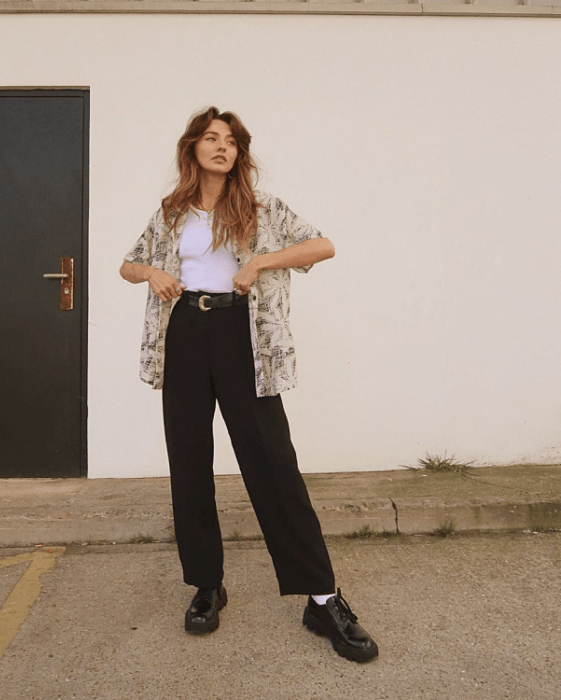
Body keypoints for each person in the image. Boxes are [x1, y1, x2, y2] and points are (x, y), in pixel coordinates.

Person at [119, 106, 378, 663]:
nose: (221, 147)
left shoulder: (262, 209)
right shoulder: (172, 211)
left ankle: (322, 597)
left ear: (240, 154)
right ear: (193, 149)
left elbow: (322, 245)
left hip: (243, 335)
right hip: (185, 331)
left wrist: (261, 261)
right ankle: (207, 586)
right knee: (188, 462)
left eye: (231, 142)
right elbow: (128, 264)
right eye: (211, 139)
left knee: (272, 462)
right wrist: (153, 272)